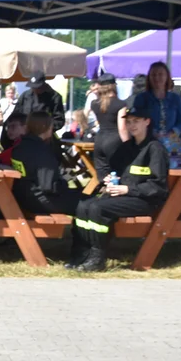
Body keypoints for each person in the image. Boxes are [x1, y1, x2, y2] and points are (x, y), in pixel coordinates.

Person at [68, 98, 168, 272]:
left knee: (97, 209)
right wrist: (111, 181)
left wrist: (128, 189)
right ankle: (81, 253)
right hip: (123, 195)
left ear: (147, 122)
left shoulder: (155, 149)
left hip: (144, 199)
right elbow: (118, 172)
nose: (132, 125)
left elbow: (158, 186)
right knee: (83, 206)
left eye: (136, 121)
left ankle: (97, 258)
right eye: (128, 122)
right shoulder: (127, 147)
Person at [10, 111, 81, 216]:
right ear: (45, 127)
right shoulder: (42, 151)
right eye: (51, 126)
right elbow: (49, 186)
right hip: (41, 201)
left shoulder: (20, 147)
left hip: (23, 197)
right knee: (88, 203)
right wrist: (64, 183)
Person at [134, 61, 181, 138]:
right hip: (149, 141)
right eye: (153, 75)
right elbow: (137, 121)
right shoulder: (141, 98)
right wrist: (153, 133)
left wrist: (173, 133)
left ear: (167, 77)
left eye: (160, 74)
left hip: (171, 143)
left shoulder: (175, 98)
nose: (156, 78)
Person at [90, 74, 124, 181]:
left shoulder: (94, 104)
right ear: (114, 86)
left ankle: (105, 193)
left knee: (103, 176)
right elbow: (122, 128)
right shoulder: (120, 104)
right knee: (118, 174)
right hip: (115, 140)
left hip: (99, 140)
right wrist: (129, 145)